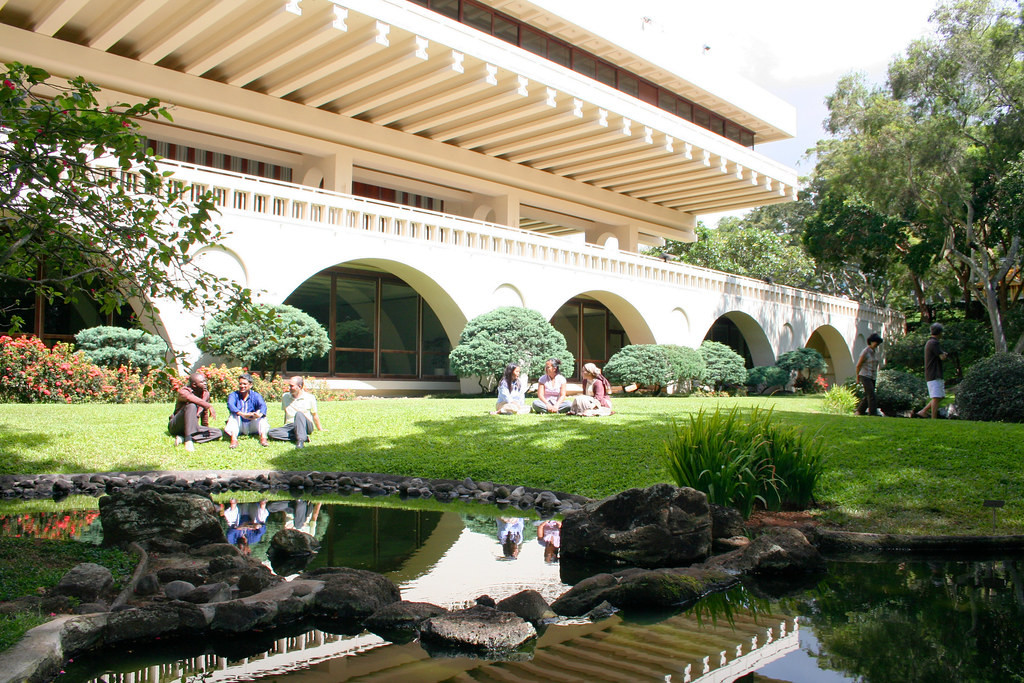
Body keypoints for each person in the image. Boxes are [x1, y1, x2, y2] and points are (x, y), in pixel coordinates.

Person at [168, 372, 222, 452]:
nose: (205, 383)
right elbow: (190, 398)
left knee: (218, 433)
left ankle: (182, 437)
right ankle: (188, 440)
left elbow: (204, 413)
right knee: (191, 405)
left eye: (205, 381)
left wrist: (205, 428)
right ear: (194, 385)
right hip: (176, 425)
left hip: (192, 426)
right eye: (202, 382)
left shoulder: (205, 394)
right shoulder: (184, 392)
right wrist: (208, 405)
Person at [268, 375, 323, 447]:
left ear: (299, 386)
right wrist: (285, 425)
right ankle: (302, 437)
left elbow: (314, 414)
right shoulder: (285, 397)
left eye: (291, 386)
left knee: (299, 414)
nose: (289, 388)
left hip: (305, 425)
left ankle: (300, 441)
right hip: (291, 426)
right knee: (271, 433)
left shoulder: (310, 397)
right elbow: (286, 413)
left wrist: (320, 429)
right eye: (289, 386)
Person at [224, 373, 270, 448]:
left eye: (245, 384)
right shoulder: (234, 395)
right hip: (240, 425)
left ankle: (263, 438)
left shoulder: (256, 395)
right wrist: (243, 414)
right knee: (234, 415)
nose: (242, 386)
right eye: (240, 384)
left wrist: (258, 415)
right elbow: (230, 405)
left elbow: (263, 406)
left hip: (252, 424)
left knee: (262, 416)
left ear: (250, 385)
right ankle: (234, 440)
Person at [916, 323, 949, 419]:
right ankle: (934, 418)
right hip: (934, 373)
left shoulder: (930, 342)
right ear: (940, 332)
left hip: (932, 373)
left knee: (940, 396)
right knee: (936, 397)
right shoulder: (934, 343)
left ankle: (923, 411)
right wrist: (944, 354)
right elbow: (942, 357)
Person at [855, 333, 883, 416]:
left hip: (872, 376)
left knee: (868, 394)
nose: (877, 344)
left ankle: (859, 411)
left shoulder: (874, 352)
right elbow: (858, 365)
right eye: (876, 342)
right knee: (872, 395)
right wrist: (857, 377)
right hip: (865, 375)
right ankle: (873, 413)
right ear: (871, 341)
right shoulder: (865, 352)